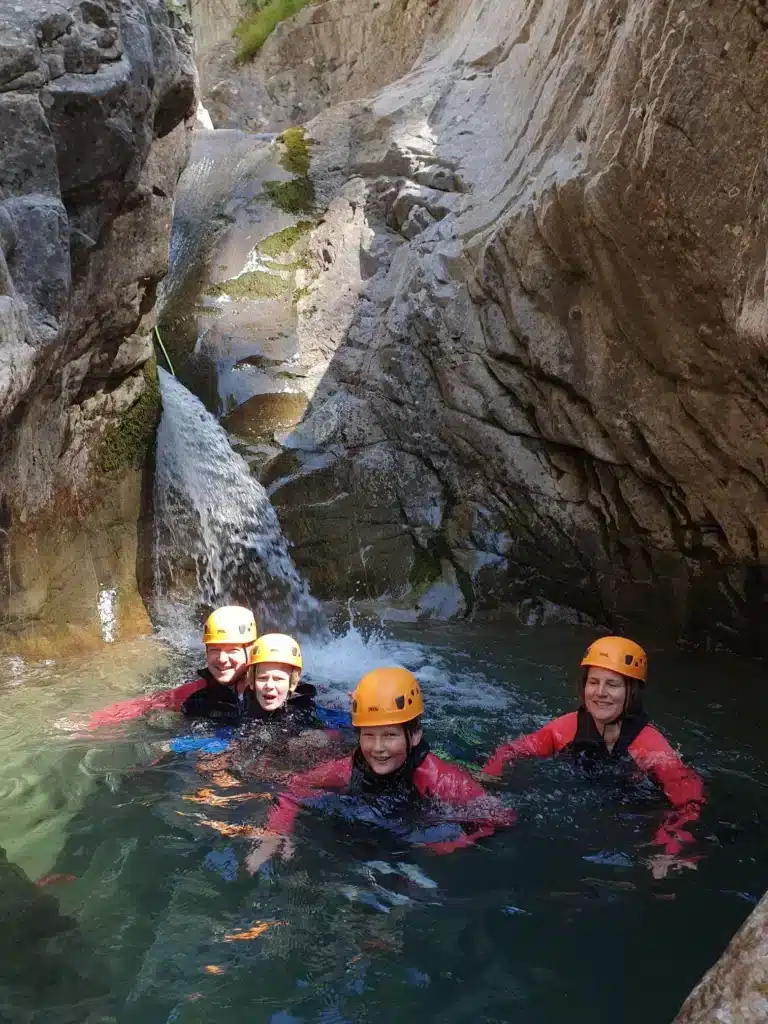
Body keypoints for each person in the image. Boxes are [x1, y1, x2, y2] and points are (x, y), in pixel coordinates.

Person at [245, 667, 516, 872]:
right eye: (369, 735)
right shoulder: (349, 768)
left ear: (415, 736)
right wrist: (276, 832)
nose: (377, 748)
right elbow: (295, 788)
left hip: (416, 835)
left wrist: (451, 846)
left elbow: (501, 818)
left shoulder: (440, 779)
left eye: (390, 736)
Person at [481, 636, 705, 878]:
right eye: (593, 682)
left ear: (632, 692)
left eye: (612, 684)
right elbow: (511, 751)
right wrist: (489, 779)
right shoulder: (565, 729)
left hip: (635, 808)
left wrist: (670, 847)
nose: (600, 693)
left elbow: (690, 802)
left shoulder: (650, 748)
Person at [87, 606, 257, 729]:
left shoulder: (273, 688)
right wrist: (93, 720)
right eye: (214, 650)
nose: (222, 659)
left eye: (232, 650)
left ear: (252, 651)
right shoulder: (200, 692)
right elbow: (151, 703)